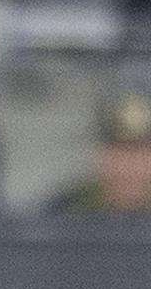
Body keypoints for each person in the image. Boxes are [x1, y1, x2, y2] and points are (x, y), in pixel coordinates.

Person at [49, 80, 151, 214]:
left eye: (138, 154)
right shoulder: (65, 213)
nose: (129, 169)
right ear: (101, 157)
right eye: (120, 154)